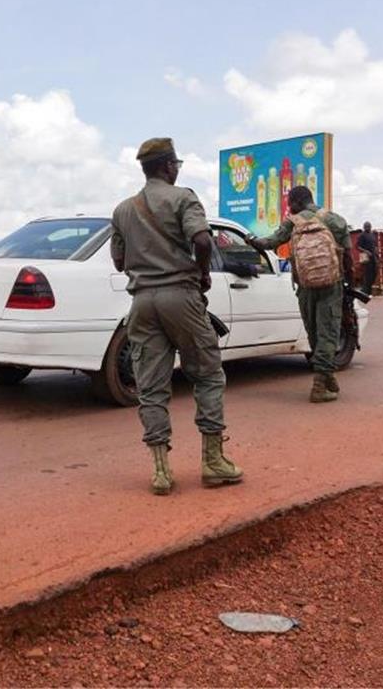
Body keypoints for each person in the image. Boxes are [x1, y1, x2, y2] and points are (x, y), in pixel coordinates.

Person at [110, 137, 242, 496]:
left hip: (141, 303)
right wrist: (201, 273)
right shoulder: (183, 197)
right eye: (176, 165)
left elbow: (119, 261)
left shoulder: (123, 210)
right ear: (169, 166)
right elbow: (202, 241)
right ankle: (214, 462)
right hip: (181, 297)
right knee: (208, 374)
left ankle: (161, 471)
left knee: (151, 385)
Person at [250, 186, 352, 403]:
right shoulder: (334, 220)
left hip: (305, 285)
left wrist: (252, 241)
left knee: (314, 332)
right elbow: (347, 255)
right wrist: (349, 284)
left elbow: (269, 243)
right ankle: (320, 384)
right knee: (328, 333)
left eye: (289, 202)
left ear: (296, 202)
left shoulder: (292, 222)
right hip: (331, 284)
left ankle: (325, 378)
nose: (289, 206)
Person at [357, 221, 379, 296]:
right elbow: (357, 246)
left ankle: (368, 288)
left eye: (369, 226)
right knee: (367, 273)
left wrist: (378, 256)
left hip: (374, 257)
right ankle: (365, 290)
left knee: (374, 272)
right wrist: (366, 251)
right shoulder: (362, 235)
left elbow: (375, 246)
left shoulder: (372, 235)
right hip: (366, 257)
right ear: (364, 227)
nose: (368, 227)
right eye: (366, 226)